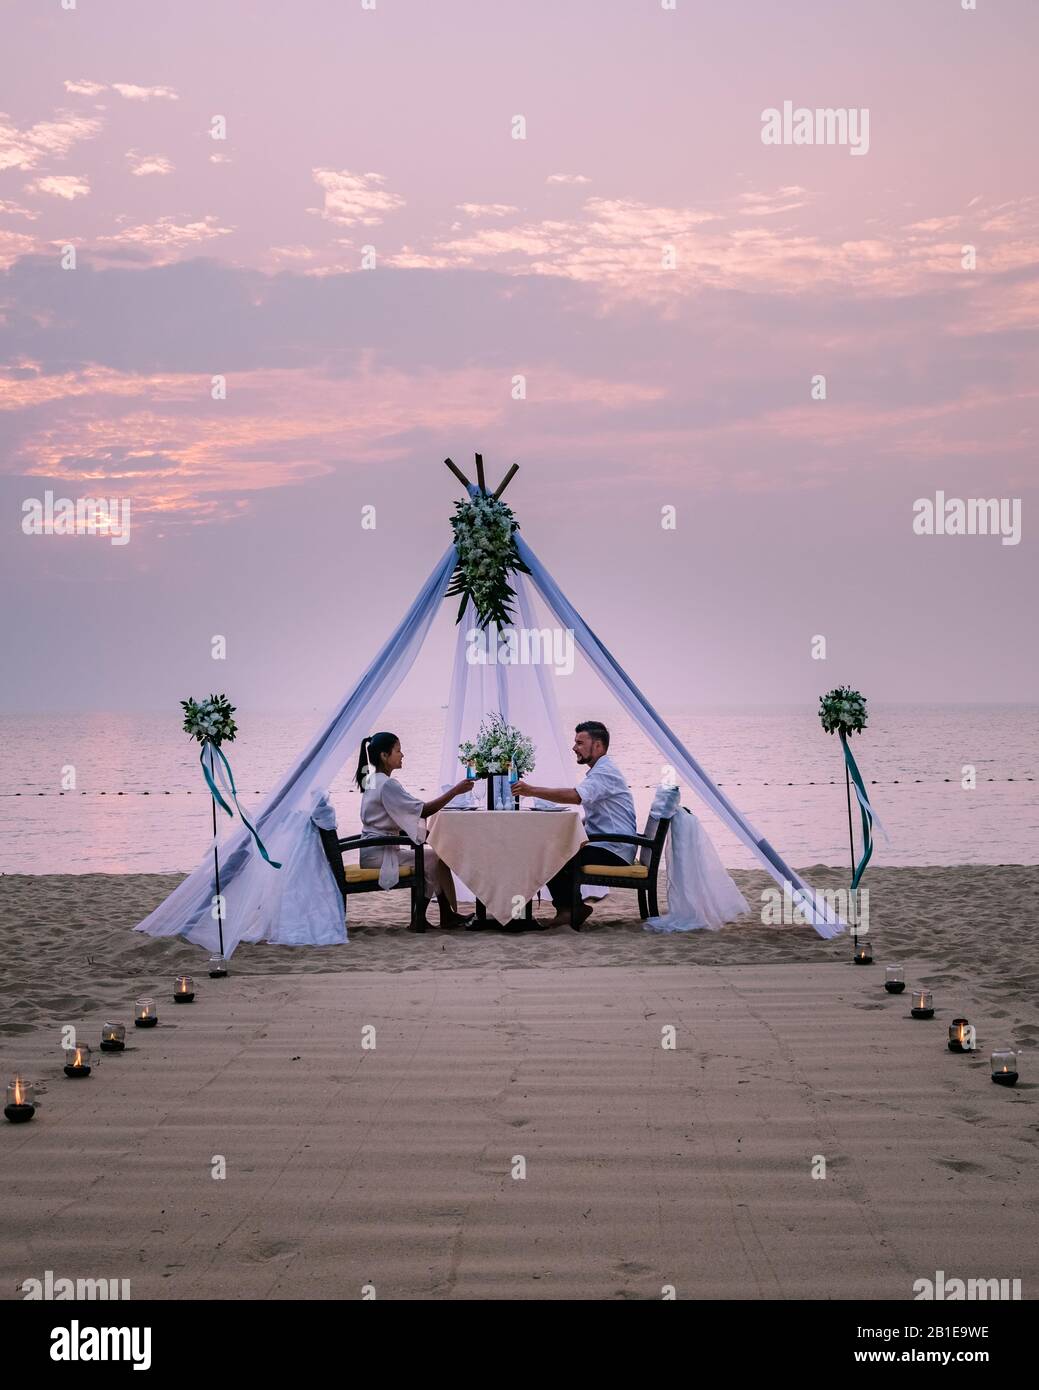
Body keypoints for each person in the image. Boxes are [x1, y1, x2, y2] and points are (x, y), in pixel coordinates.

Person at [513, 721, 636, 928]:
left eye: (580, 743)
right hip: (611, 845)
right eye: (575, 742)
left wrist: (531, 790)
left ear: (597, 746)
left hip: (614, 849)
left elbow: (576, 796)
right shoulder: (601, 770)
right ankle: (571, 908)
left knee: (552, 854)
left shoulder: (605, 773)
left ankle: (568, 910)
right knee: (552, 849)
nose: (574, 748)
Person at [355, 732, 474, 929]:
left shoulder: (373, 780)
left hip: (373, 848)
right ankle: (423, 917)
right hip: (379, 852)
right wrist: (454, 791)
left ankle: (444, 915)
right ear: (384, 756)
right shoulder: (387, 784)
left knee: (435, 857)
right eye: (398, 750)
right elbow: (422, 810)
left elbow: (392, 817)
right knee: (434, 859)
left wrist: (420, 835)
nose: (402, 755)